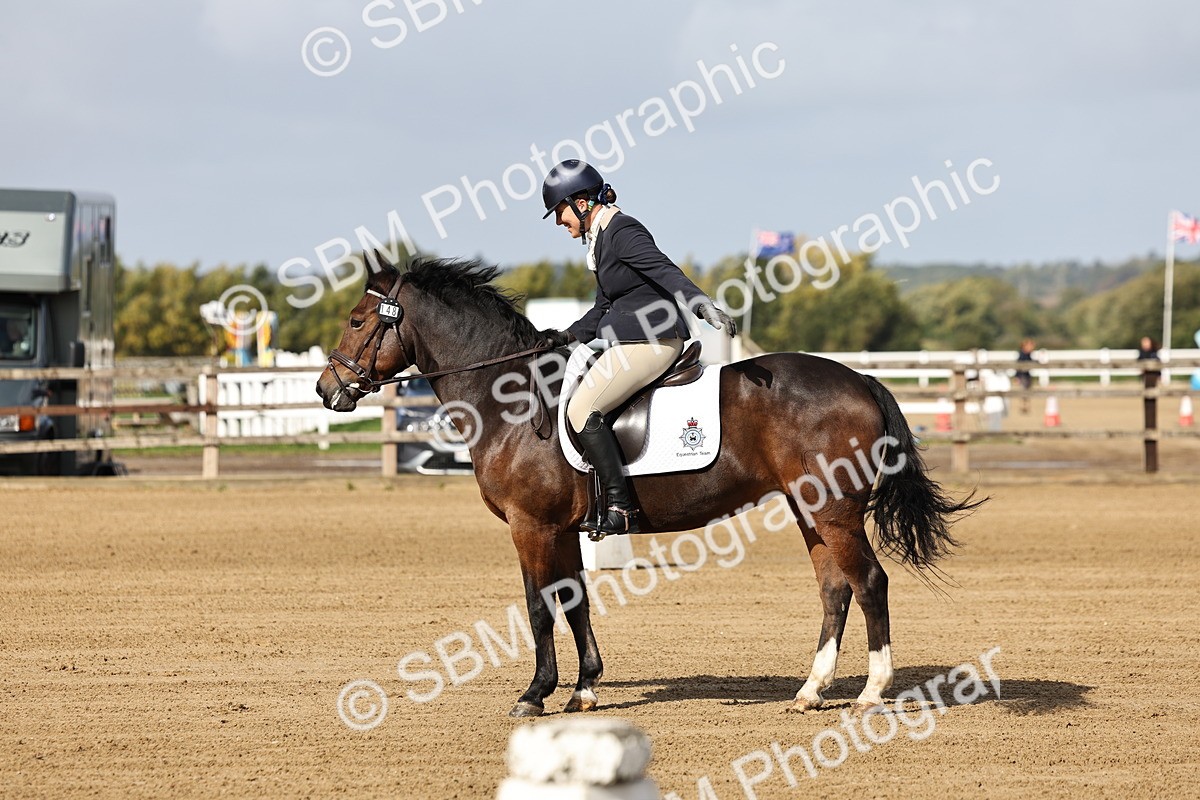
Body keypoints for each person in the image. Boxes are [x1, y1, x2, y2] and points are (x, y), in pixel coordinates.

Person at [540, 160, 735, 537]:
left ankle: (621, 506)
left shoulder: (622, 230)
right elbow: (602, 307)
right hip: (630, 339)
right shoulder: (600, 239)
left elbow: (664, 270)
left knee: (583, 409)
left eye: (559, 212)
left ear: (580, 202)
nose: (558, 222)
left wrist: (700, 303)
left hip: (653, 339)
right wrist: (564, 337)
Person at [1014, 338, 1035, 414]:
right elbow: (1018, 366)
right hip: (1022, 375)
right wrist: (1017, 377)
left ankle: (1026, 406)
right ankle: (1023, 406)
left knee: (1027, 391)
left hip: (1027, 375)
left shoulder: (1028, 354)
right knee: (1023, 391)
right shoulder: (1022, 354)